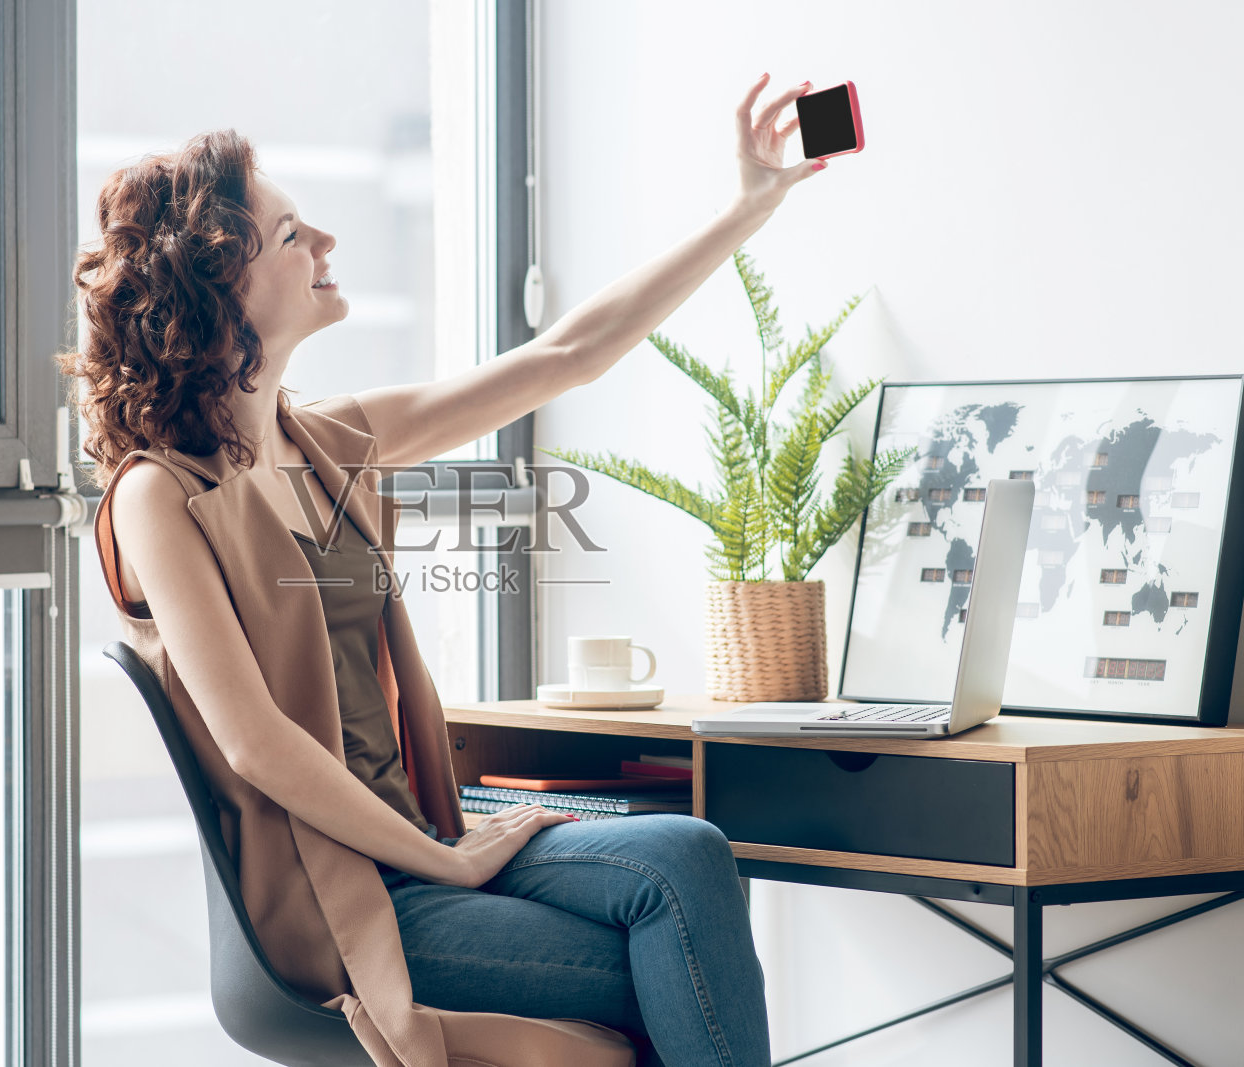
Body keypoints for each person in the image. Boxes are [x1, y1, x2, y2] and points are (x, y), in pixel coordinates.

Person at [64, 74, 825, 1067]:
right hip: (339, 892)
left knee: (688, 854)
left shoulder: (328, 441)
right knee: (670, 946)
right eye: (293, 235)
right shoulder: (156, 495)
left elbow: (566, 354)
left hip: (425, 842)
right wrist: (440, 858)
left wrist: (748, 205)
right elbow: (254, 743)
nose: (326, 243)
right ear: (221, 289)